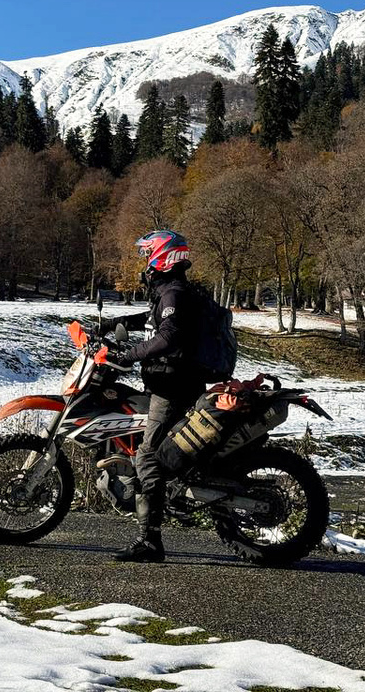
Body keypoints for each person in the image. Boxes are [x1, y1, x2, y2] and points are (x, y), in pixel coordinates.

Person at [111, 230, 205, 563]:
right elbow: (154, 323)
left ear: (161, 257)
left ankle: (149, 541)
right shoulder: (168, 292)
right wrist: (116, 323)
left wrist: (128, 356)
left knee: (147, 457)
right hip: (167, 384)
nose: (144, 262)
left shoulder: (174, 293)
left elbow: (167, 339)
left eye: (147, 254)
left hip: (173, 388)